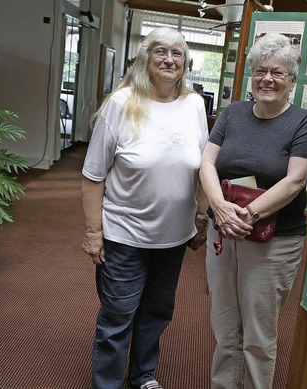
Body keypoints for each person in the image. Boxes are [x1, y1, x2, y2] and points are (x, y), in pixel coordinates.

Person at [81, 27, 209, 389]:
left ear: (186, 62)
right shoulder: (121, 104)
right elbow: (93, 176)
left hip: (173, 238)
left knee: (156, 313)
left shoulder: (195, 105)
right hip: (125, 235)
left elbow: (203, 169)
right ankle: (106, 383)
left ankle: (142, 376)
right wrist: (94, 233)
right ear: (145, 58)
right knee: (118, 316)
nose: (170, 60)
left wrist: (199, 218)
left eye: (178, 53)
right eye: (161, 52)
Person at [199, 33, 307, 389]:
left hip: (272, 243)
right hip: (222, 232)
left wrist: (246, 215)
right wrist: (219, 209)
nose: (268, 79)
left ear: (292, 81)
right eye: (261, 71)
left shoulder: (302, 122)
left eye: (278, 73)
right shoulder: (233, 112)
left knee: (258, 334)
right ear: (252, 75)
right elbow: (206, 163)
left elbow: (296, 180)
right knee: (224, 327)